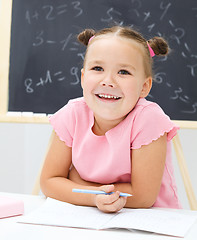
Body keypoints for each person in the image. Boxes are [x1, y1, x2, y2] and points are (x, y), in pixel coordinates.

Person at [40, 26, 182, 213]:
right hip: (88, 214)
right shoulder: (73, 113)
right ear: (83, 77)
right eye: (97, 68)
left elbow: (142, 196)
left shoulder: (148, 119)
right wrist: (93, 196)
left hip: (151, 220)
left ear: (144, 87)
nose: (108, 81)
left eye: (123, 72)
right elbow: (49, 182)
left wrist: (77, 183)